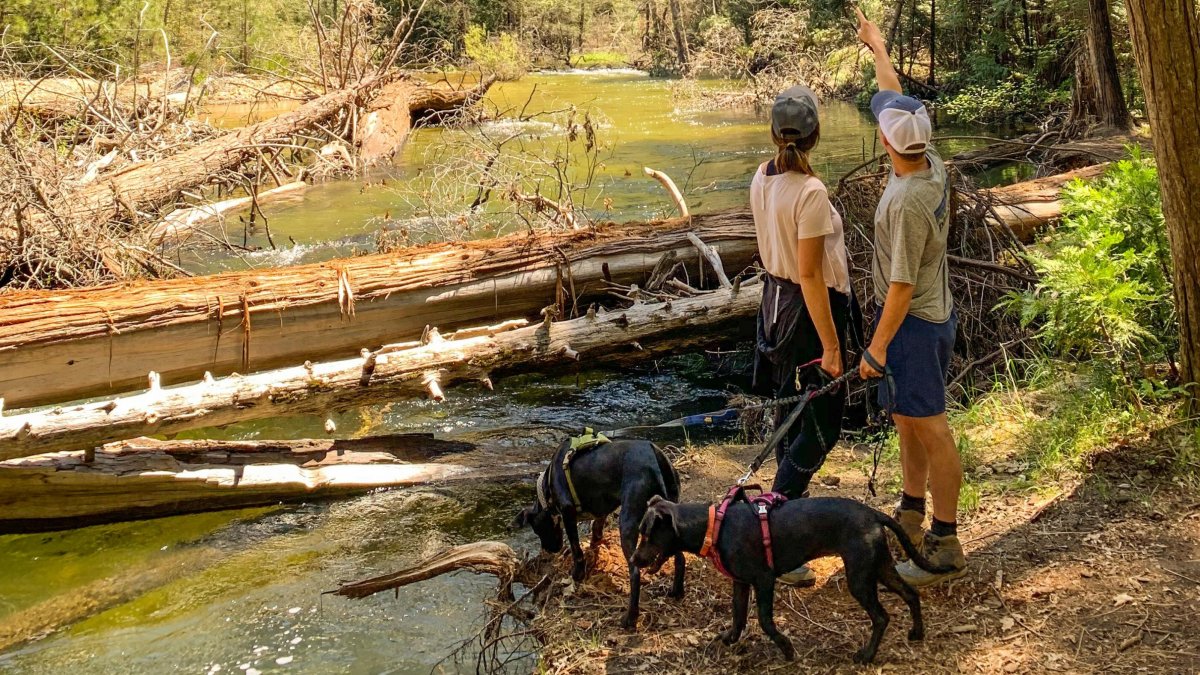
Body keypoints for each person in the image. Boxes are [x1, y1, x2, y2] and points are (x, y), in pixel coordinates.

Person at [854, 7, 966, 586]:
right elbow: (894, 98)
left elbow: (899, 288)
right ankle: (911, 512)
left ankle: (944, 543)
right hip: (926, 315)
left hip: (914, 323)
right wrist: (877, 49)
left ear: (884, 143)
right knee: (908, 419)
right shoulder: (928, 163)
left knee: (932, 426)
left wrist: (875, 351)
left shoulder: (904, 204)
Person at [750, 84, 863, 587]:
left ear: (775, 134)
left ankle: (779, 528)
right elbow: (812, 275)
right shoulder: (811, 193)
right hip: (809, 314)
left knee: (787, 415)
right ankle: (776, 533)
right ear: (816, 134)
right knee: (820, 428)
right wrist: (833, 347)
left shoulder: (761, 176)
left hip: (773, 306)